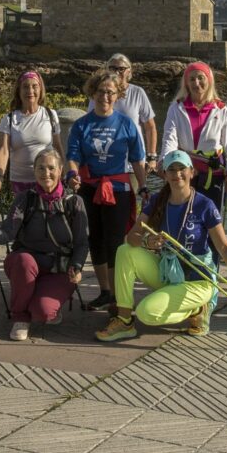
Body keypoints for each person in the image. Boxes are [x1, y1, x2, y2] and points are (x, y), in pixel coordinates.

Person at [96, 150, 227, 341]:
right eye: (171, 169)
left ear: (192, 172)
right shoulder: (157, 200)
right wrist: (147, 241)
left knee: (146, 313)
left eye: (182, 169)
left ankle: (198, 309)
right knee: (124, 251)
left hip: (198, 281)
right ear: (164, 174)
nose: (177, 174)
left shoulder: (204, 205)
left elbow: (224, 247)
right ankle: (124, 321)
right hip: (169, 272)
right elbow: (131, 237)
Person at [0, 149, 88, 341]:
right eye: (41, 168)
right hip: (26, 264)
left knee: (43, 312)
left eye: (51, 168)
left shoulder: (74, 202)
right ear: (34, 171)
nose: (46, 173)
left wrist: (77, 266)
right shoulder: (25, 198)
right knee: (23, 260)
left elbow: (81, 242)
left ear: (60, 170)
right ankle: (20, 317)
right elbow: (8, 231)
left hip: (58, 269)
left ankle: (38, 301)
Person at [67, 69, 146, 312]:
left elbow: (137, 159)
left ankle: (118, 296)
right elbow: (73, 156)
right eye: (101, 91)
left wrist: (143, 185)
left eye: (110, 92)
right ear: (93, 93)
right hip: (89, 189)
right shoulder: (81, 125)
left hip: (118, 189)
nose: (105, 96)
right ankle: (104, 292)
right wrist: (72, 175)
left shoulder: (126, 124)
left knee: (116, 243)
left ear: (118, 95)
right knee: (95, 240)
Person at [160, 61, 227, 208]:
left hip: (213, 177)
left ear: (209, 80)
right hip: (183, 175)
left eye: (201, 77)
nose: (196, 83)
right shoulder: (176, 108)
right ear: (186, 83)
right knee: (183, 218)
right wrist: (165, 162)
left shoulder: (221, 110)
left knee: (210, 219)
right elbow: (169, 140)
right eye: (192, 79)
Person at [0, 70, 64, 195]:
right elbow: (3, 151)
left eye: (34, 86)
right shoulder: (9, 119)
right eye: (25, 87)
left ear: (40, 89)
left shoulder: (50, 115)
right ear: (19, 91)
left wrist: (64, 174)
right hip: (20, 182)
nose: (30, 91)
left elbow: (57, 146)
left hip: (47, 180)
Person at [87, 53, 158, 174]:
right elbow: (90, 124)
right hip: (104, 160)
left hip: (133, 162)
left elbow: (150, 127)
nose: (117, 72)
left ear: (129, 71)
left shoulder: (137, 93)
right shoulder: (98, 94)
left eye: (121, 69)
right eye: (112, 68)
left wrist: (152, 157)